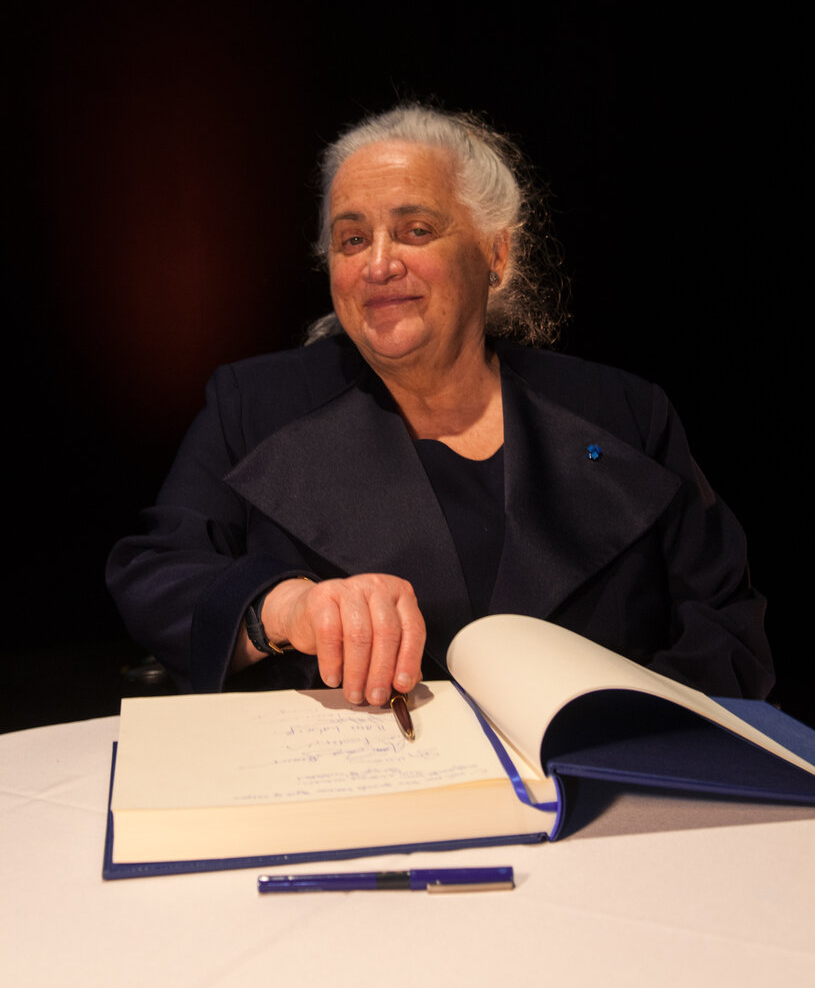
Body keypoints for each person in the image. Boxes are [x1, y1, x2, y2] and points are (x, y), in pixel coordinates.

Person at [106, 105, 774, 703]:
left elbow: (726, 629)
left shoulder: (623, 413)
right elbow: (155, 573)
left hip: (592, 777)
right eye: (352, 239)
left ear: (496, 253)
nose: (378, 265)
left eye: (415, 230)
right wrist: (282, 609)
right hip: (347, 780)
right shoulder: (254, 404)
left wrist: (626, 742)